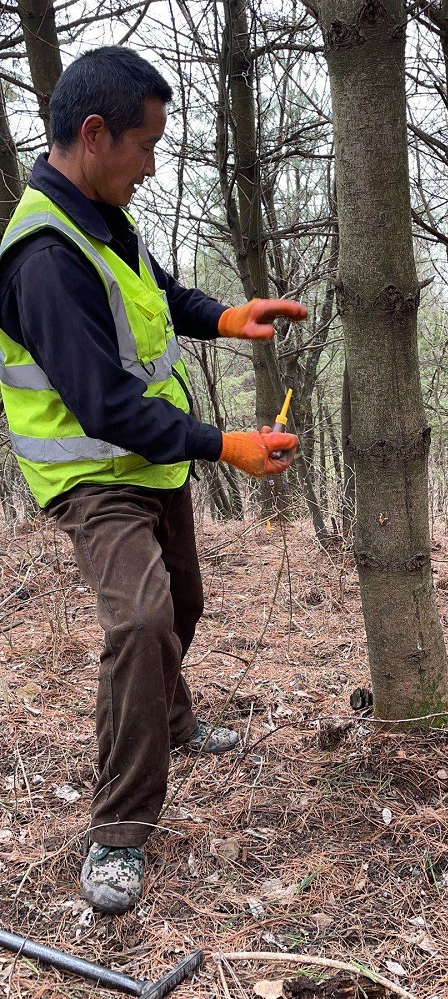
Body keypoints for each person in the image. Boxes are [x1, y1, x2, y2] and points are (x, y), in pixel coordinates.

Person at [0, 46, 307, 914]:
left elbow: (156, 293)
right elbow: (100, 404)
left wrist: (225, 316)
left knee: (183, 605)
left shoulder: (102, 213)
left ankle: (172, 723)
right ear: (93, 135)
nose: (152, 164)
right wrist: (227, 445)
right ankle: (118, 833)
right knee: (139, 624)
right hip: (97, 474)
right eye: (146, 145)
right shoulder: (44, 260)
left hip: (152, 455)